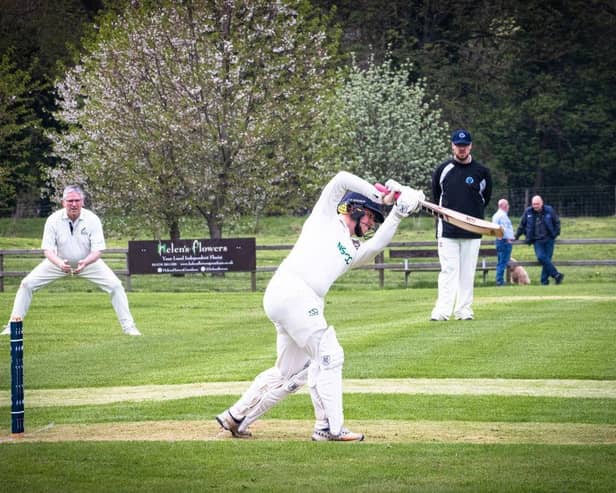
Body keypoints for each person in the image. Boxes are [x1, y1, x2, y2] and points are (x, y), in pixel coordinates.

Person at [215, 171, 424, 441]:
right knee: (330, 355)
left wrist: (398, 214)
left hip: (296, 300)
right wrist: (380, 196)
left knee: (290, 372)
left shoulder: (353, 248)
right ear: (355, 209)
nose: (372, 223)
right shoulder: (325, 217)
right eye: (371, 216)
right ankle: (329, 428)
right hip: (294, 292)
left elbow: (375, 247)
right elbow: (340, 179)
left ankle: (235, 416)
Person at [2, 185, 140, 336]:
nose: (73, 204)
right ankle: (12, 326)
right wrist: (60, 263)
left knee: (116, 286)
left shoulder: (92, 219)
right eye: (70, 201)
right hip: (58, 262)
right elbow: (47, 250)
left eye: (77, 200)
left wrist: (85, 262)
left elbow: (98, 250)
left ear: (82, 202)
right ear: (63, 202)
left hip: (89, 262)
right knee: (27, 284)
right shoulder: (53, 220)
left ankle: (129, 328)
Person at [430, 129, 492, 321]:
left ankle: (464, 310)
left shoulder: (482, 172)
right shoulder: (443, 170)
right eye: (458, 145)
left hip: (473, 231)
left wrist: (472, 219)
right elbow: (436, 197)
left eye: (465, 146)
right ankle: (442, 311)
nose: (462, 149)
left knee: (467, 272)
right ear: (452, 146)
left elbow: (485, 198)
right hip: (447, 230)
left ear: (471, 146)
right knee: (448, 270)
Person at [514, 195, 563, 285]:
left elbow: (557, 222)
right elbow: (522, 225)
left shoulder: (549, 210)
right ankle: (556, 275)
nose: (535, 206)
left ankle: (544, 281)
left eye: (537, 204)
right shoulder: (528, 212)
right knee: (541, 257)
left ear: (542, 203)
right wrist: (516, 236)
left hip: (549, 239)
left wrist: (555, 234)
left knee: (547, 260)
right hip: (537, 240)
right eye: (534, 204)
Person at [492, 198, 515, 286]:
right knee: (503, 262)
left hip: (499, 241)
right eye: (507, 205)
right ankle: (500, 281)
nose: (508, 206)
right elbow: (504, 229)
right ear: (503, 206)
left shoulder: (495, 215)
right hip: (504, 241)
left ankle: (499, 280)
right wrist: (509, 239)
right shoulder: (503, 216)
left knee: (500, 261)